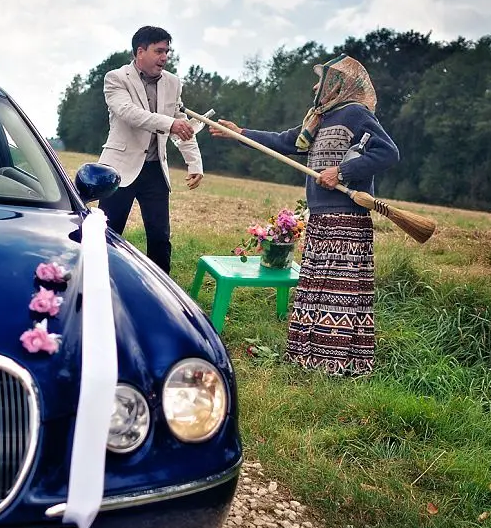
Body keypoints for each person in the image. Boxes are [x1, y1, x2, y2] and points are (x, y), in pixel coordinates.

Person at [207, 54, 400, 377]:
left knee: (339, 289)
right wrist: (239, 133)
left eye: (322, 79)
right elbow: (284, 142)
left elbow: (387, 152)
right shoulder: (319, 119)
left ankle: (337, 361)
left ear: (339, 85)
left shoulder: (355, 114)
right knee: (317, 285)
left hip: (347, 220)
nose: (315, 85)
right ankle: (310, 357)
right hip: (322, 218)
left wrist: (342, 170)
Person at [96, 25, 203, 276]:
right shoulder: (116, 78)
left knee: (160, 238)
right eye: (159, 51)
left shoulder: (174, 83)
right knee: (106, 233)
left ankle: (162, 293)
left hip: (156, 171)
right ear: (140, 51)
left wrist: (194, 163)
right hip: (119, 169)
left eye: (167, 51)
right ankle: (96, 281)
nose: (165, 57)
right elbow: (130, 114)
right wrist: (170, 123)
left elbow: (182, 123)